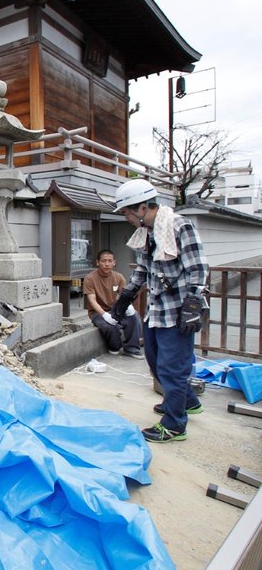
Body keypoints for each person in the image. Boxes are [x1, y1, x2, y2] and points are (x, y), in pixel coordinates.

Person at [110, 179, 208, 443]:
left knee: (172, 369)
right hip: (157, 310)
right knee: (154, 360)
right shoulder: (148, 234)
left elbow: (197, 268)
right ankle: (187, 401)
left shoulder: (179, 226)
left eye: (127, 212)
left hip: (179, 311)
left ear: (142, 208)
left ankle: (175, 425)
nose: (127, 218)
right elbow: (142, 270)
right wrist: (125, 297)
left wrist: (192, 304)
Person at [82, 249, 143, 358]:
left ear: (114, 263)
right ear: (97, 262)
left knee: (134, 317)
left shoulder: (119, 277)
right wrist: (105, 315)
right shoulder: (89, 278)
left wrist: (128, 306)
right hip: (98, 312)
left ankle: (131, 348)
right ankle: (115, 346)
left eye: (110, 261)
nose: (107, 264)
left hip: (115, 309)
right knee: (109, 326)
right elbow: (92, 300)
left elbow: (124, 296)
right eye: (103, 261)